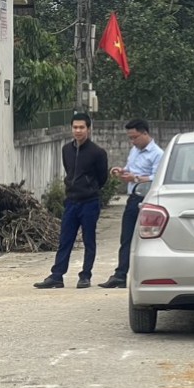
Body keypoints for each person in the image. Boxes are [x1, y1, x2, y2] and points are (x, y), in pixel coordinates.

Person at [34, 111, 109, 289]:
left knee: (89, 240)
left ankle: (85, 275)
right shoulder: (66, 149)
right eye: (75, 127)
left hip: (89, 202)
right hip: (71, 202)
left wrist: (89, 188)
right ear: (71, 129)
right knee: (65, 239)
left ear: (88, 129)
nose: (78, 131)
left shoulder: (97, 152)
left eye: (81, 127)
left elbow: (102, 178)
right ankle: (57, 276)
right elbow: (69, 171)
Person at [99, 118, 165, 288]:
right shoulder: (135, 150)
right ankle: (120, 275)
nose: (132, 141)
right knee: (126, 237)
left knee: (148, 239)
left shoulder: (157, 154)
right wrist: (121, 171)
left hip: (147, 199)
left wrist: (135, 178)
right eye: (130, 138)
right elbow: (130, 169)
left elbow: (156, 178)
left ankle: (150, 275)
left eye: (135, 137)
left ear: (145, 133)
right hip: (133, 197)